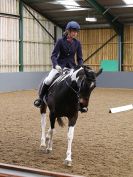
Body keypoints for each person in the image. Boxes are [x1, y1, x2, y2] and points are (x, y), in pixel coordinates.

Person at [34, 21, 83, 108]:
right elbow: (53, 55)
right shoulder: (60, 41)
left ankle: (79, 103)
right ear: (68, 31)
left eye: (76, 32)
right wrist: (56, 65)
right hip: (59, 66)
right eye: (73, 31)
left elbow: (79, 58)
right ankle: (40, 99)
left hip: (71, 67)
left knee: (78, 83)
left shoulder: (77, 43)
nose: (75, 33)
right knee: (48, 80)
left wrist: (80, 67)